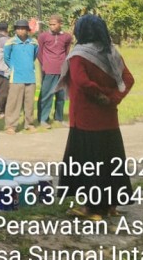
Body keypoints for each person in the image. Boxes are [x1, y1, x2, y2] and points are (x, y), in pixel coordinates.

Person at [57, 14, 134, 220]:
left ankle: (92, 209)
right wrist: (113, 98)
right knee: (111, 161)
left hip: (85, 119)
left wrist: (100, 95)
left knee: (90, 164)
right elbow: (128, 79)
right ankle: (111, 206)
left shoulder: (79, 55)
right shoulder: (111, 53)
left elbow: (81, 82)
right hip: (109, 119)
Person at [3, 19, 39, 134]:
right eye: (18, 28)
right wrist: (14, 67)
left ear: (27, 30)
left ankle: (29, 124)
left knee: (29, 103)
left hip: (30, 76)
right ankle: (11, 126)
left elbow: (34, 56)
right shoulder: (10, 42)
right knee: (13, 102)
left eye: (23, 28)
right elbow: (6, 58)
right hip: (16, 77)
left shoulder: (34, 42)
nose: (20, 31)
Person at [37, 13, 73, 128]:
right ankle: (43, 119)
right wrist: (45, 65)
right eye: (50, 24)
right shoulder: (43, 36)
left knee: (61, 95)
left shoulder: (67, 37)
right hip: (49, 70)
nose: (52, 26)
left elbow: (67, 52)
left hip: (62, 70)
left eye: (54, 24)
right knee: (47, 95)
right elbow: (39, 53)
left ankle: (59, 118)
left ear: (60, 24)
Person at [0, 21, 11, 119]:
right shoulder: (6, 40)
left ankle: (3, 110)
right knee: (3, 91)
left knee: (3, 90)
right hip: (3, 69)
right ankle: (0, 111)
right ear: (7, 29)